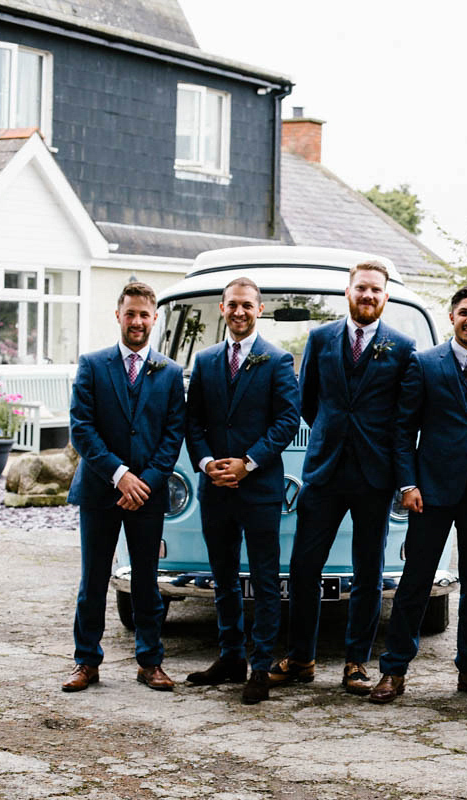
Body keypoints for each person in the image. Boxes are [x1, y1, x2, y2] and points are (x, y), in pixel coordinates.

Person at [269, 260, 415, 694]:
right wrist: (333, 432)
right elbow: (308, 402)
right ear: (347, 293)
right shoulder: (319, 338)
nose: (368, 296)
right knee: (303, 566)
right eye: (361, 289)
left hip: (374, 472)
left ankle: (356, 661)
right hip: (325, 468)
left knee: (368, 570)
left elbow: (403, 416)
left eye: (376, 290)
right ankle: (301, 657)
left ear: (385, 297)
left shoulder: (402, 347)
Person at [370, 286, 467, 703]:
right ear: (452, 317)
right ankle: (394, 671)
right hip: (430, 492)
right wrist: (408, 484)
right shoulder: (424, 363)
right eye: (464, 313)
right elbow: (403, 430)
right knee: (415, 583)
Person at [63, 282, 186, 693]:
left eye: (144, 315)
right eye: (130, 314)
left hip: (148, 494)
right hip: (101, 490)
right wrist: (119, 474)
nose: (137, 322)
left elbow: (173, 434)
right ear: (118, 316)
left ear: (154, 319)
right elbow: (81, 427)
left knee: (148, 581)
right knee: (94, 579)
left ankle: (150, 662)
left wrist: (146, 480)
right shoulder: (93, 364)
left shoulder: (168, 373)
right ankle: (86, 662)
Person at [183, 277, 301, 704]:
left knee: (266, 579)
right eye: (232, 305)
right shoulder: (206, 359)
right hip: (214, 487)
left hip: (259, 487)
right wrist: (206, 463)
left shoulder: (277, 359)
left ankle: (260, 666)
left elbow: (287, 421)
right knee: (223, 577)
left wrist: (248, 463)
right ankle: (229, 656)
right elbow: (192, 421)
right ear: (222, 308)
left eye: (247, 305)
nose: (239, 311)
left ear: (260, 309)